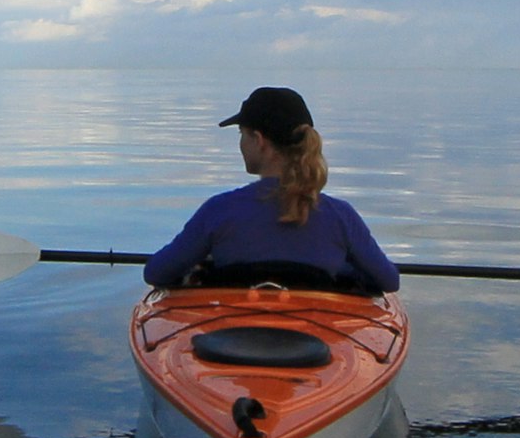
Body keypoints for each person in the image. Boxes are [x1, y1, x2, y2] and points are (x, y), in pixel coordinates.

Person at [140, 86, 402, 295]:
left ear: (259, 140)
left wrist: (205, 265)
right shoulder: (341, 216)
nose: (240, 144)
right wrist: (343, 267)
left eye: (241, 134)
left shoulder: (219, 210)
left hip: (232, 342)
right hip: (315, 344)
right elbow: (389, 281)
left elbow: (155, 273)